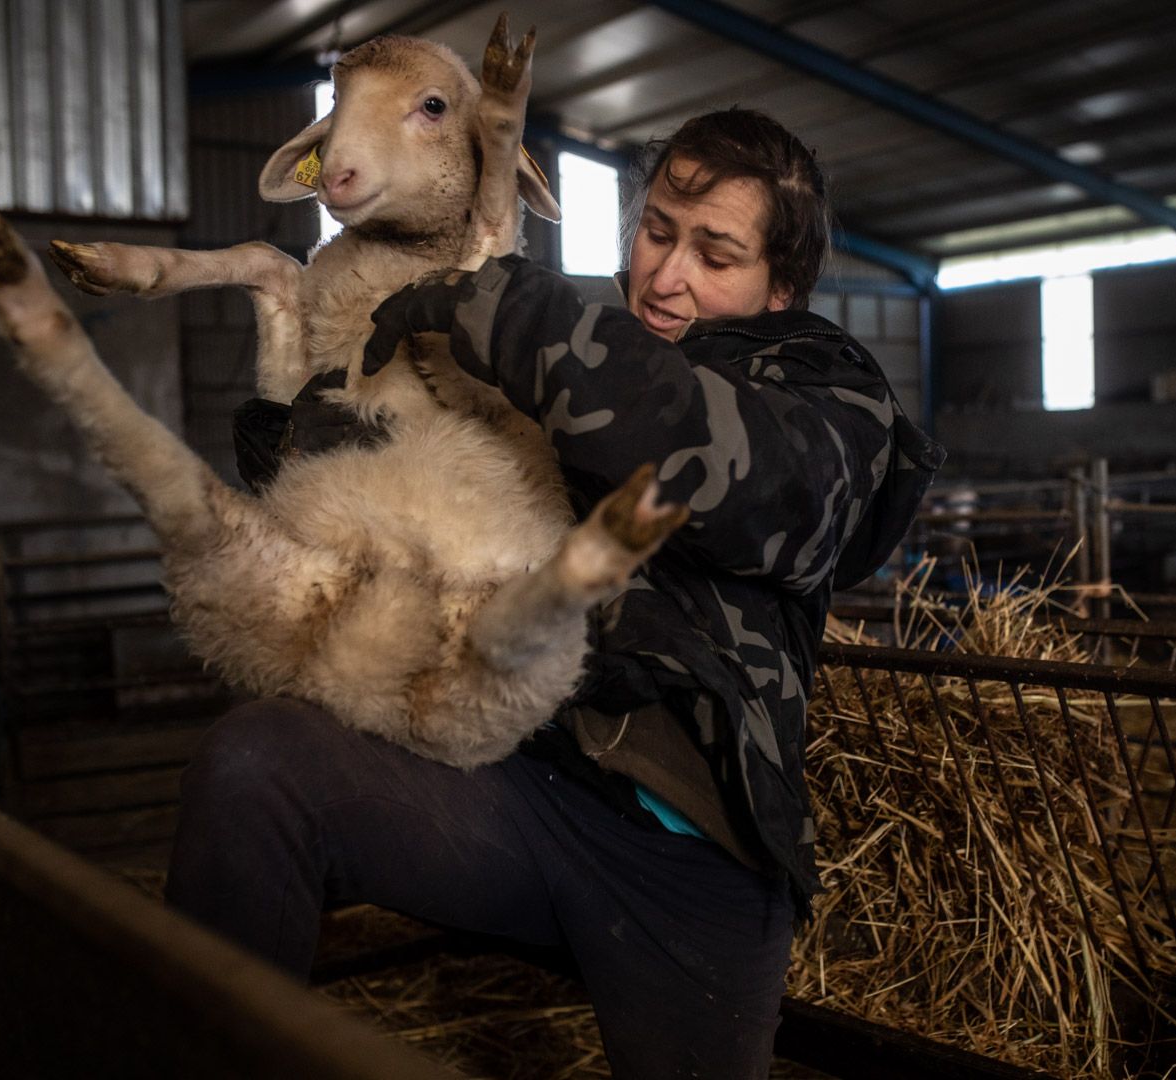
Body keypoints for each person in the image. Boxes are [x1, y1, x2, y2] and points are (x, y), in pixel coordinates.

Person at [166, 107, 943, 1078]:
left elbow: (713, 465)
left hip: (694, 853)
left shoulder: (825, 387)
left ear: (780, 286)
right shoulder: (571, 344)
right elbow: (436, 493)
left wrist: (509, 310)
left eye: (716, 253)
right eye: (658, 230)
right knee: (259, 766)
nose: (667, 274)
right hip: (523, 792)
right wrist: (314, 452)